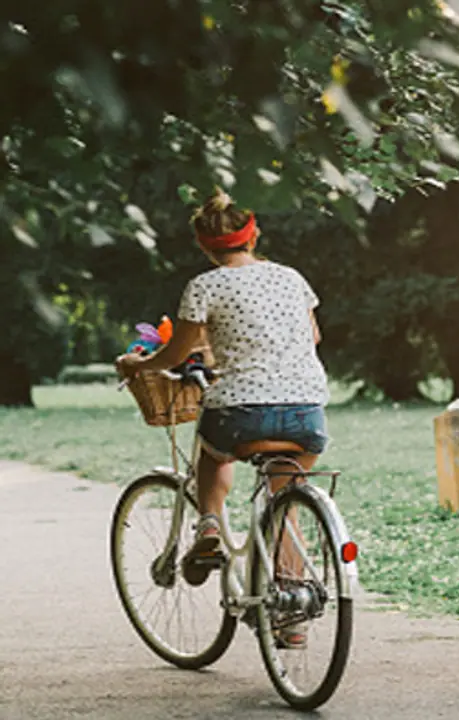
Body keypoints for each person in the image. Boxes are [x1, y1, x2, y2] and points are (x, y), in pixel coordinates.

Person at [116, 189, 330, 607]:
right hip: (307, 409)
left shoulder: (204, 285)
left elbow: (177, 353)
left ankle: (210, 526)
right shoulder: (291, 278)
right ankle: (293, 615)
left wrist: (137, 366)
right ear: (254, 235)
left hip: (240, 411)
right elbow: (313, 336)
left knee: (213, 455)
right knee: (284, 503)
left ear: (203, 245)